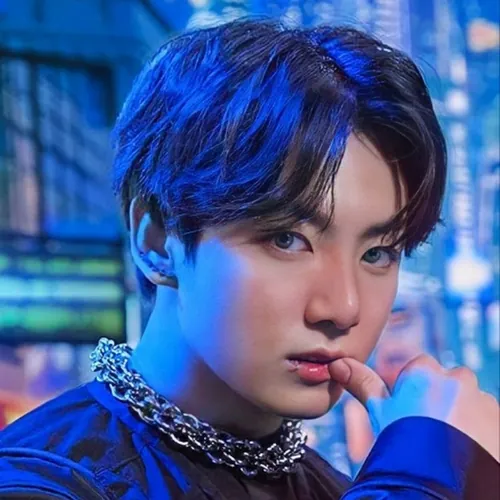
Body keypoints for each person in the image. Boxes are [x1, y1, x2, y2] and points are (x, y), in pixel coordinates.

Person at [0, 17, 498, 499]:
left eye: (378, 252)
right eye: (287, 239)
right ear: (157, 240)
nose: (344, 308)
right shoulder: (39, 483)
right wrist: (426, 471)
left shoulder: (340, 485)